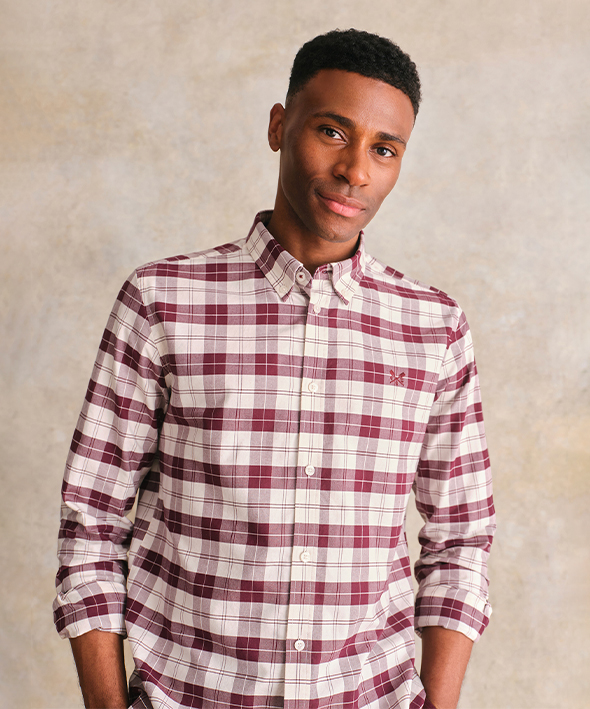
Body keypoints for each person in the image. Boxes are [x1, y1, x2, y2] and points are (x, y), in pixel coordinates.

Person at [54, 28, 495, 709]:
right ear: (279, 127)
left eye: (384, 149)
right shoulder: (162, 302)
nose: (355, 171)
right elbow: (92, 522)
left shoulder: (434, 328)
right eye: (332, 132)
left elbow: (461, 540)